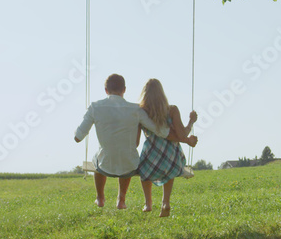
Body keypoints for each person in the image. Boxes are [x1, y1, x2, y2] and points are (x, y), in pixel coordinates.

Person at [74, 74, 170, 209]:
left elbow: (78, 138)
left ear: (106, 90)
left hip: (105, 165)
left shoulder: (95, 107)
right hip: (130, 166)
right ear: (124, 89)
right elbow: (161, 131)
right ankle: (121, 199)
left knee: (98, 157)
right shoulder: (136, 109)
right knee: (126, 156)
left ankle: (100, 197)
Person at [137, 78, 198, 217]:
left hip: (151, 156)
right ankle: (165, 202)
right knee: (170, 170)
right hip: (173, 159)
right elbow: (182, 135)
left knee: (143, 174)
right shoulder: (172, 110)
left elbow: (137, 140)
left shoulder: (141, 112)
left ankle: (148, 203)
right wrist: (191, 122)